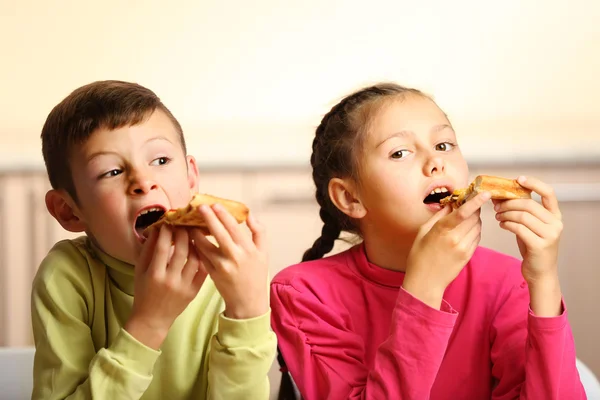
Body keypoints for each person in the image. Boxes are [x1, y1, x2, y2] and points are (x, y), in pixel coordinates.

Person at [270, 82, 585, 399]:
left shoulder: (507, 282)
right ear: (350, 197)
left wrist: (544, 279)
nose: (436, 162)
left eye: (444, 145)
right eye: (400, 153)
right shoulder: (303, 294)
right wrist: (425, 287)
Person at [32, 80, 276, 399]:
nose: (143, 182)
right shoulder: (65, 278)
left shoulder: (226, 271)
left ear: (190, 178)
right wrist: (149, 322)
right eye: (111, 172)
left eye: (160, 161)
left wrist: (248, 311)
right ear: (69, 211)